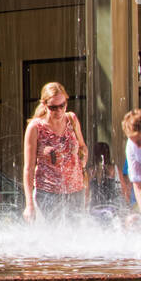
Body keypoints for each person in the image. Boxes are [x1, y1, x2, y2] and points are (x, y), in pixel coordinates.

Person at [21, 82, 87, 222]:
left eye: (62, 105)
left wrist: (83, 158)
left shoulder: (72, 119)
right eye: (53, 107)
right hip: (48, 193)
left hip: (76, 190)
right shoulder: (35, 127)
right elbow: (28, 168)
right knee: (52, 238)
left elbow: (82, 146)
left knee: (75, 237)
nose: (59, 111)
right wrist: (29, 204)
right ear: (44, 104)